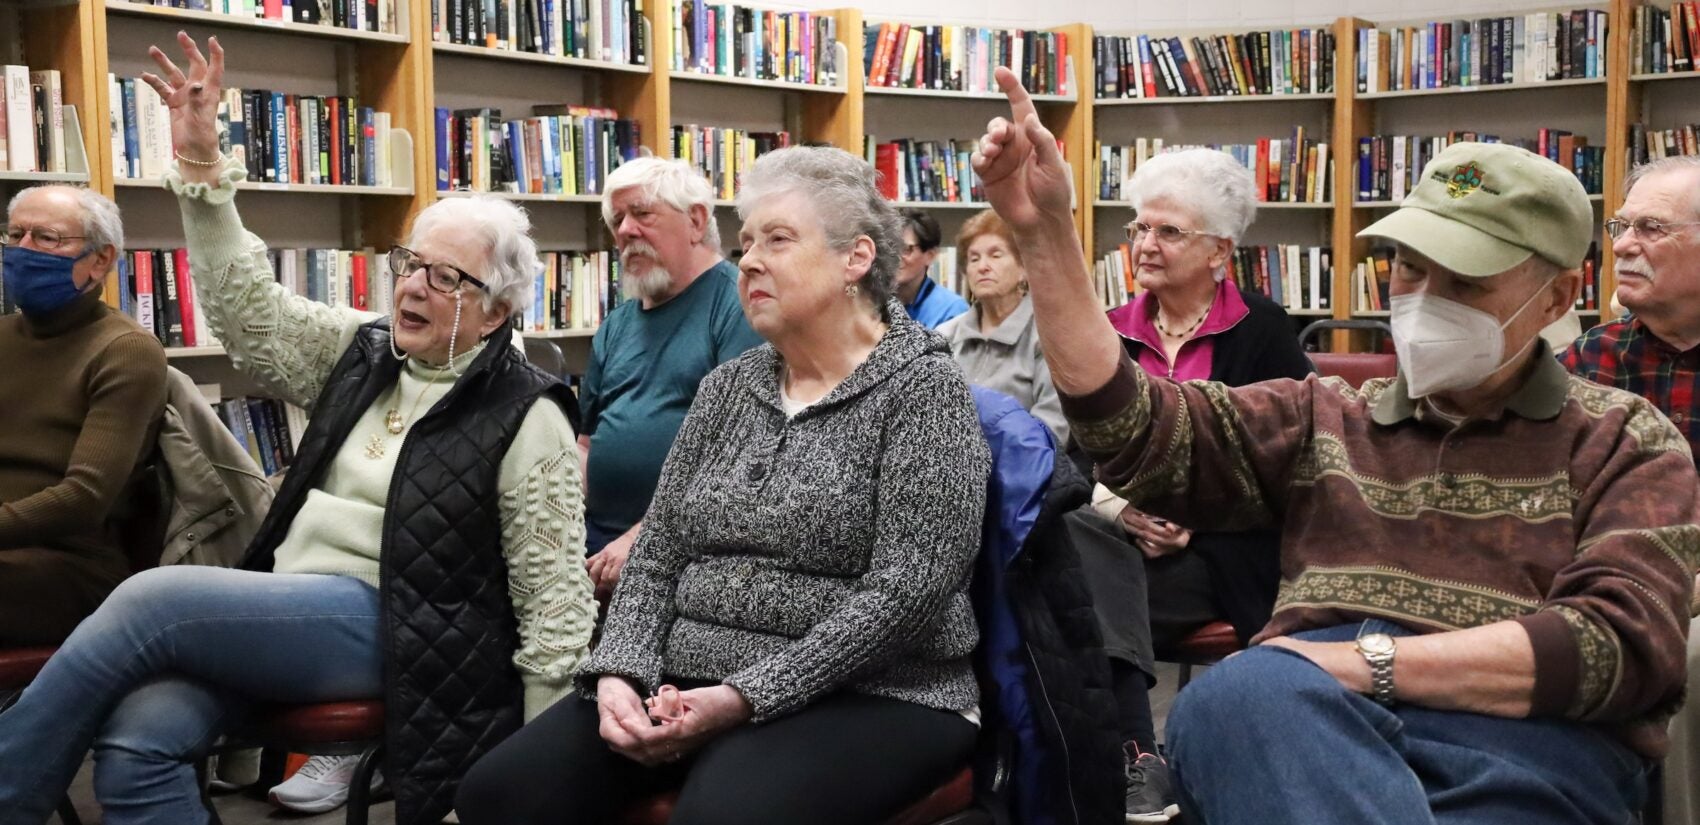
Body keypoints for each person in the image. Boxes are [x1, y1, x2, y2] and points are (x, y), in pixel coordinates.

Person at [974, 67, 1697, 825]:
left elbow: (1623, 645)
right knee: (1232, 702)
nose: (1423, 300)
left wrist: (1356, 663)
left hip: (1516, 749)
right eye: (1410, 269)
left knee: (1246, 691)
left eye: (1465, 282)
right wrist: (1044, 234)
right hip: (1301, 734)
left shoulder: (1623, 439)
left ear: (1554, 297)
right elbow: (1135, 430)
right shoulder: (1323, 417)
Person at [0, 34, 594, 825]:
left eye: (445, 276)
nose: (413, 286)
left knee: (151, 601)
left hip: (400, 624)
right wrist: (205, 168)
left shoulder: (527, 412)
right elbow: (250, 311)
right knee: (138, 742)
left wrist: (540, 764)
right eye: (409, 263)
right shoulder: (366, 353)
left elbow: (554, 604)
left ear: (497, 307)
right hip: (286, 611)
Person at [456, 145, 990, 825]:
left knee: (721, 813)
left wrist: (742, 697)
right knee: (498, 794)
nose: (751, 262)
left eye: (778, 239)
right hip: (686, 679)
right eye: (745, 244)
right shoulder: (727, 389)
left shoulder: (924, 389)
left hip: (882, 691)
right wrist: (619, 672)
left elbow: (905, 594)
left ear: (856, 259)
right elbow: (658, 556)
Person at [1084, 147, 1314, 821]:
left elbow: (1295, 454)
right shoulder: (1108, 332)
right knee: (1076, 550)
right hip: (1119, 540)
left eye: (1167, 231)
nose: (1145, 245)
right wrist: (1126, 512)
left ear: (1219, 251)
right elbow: (1074, 458)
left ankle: (1127, 754)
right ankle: (1135, 751)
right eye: (1138, 228)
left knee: (1064, 605)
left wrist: (1194, 513)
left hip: (1225, 548)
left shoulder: (1264, 331)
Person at [1559, 155, 1700, 825]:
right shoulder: (1591, 358)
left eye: (1650, 227)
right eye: (1619, 225)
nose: (1621, 245)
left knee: (1688, 662)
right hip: (1604, 574)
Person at [580, 157, 764, 597]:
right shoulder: (617, 324)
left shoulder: (738, 306)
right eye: (618, 219)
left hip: (687, 558)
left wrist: (640, 539)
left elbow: (736, 459)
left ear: (696, 221)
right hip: (594, 548)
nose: (624, 231)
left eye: (642, 214)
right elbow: (585, 445)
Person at [0, 185, 165, 647]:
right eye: (16, 235)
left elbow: (83, 497)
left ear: (100, 259)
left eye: (47, 238)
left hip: (70, 565)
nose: (24, 250)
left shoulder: (124, 350)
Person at [938, 208, 1067, 444]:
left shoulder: (1048, 336)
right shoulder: (944, 336)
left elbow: (1052, 430)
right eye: (974, 258)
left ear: (1023, 268)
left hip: (1022, 470)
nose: (982, 266)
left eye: (995, 255)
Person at [895, 207, 969, 328]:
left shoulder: (952, 309)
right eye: (890, 247)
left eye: (905, 249)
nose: (895, 256)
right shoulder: (871, 304)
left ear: (930, 255)